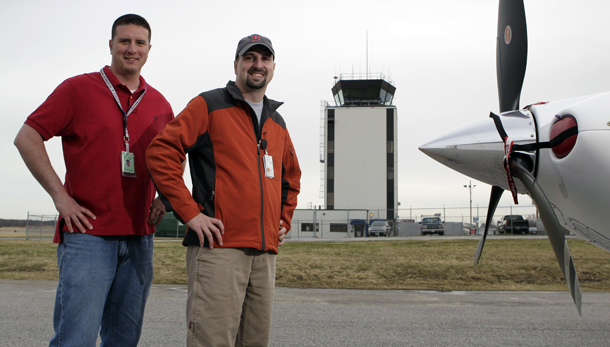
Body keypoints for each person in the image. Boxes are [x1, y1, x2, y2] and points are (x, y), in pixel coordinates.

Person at [13, 14, 174, 347]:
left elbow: (173, 157)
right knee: (76, 339)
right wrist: (60, 197)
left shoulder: (160, 104)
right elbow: (27, 137)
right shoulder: (78, 89)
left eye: (139, 42)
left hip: (138, 238)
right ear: (111, 45)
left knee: (124, 340)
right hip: (88, 236)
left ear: (149, 49)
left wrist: (165, 198)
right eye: (125, 41)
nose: (132, 49)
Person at [146, 34, 301, 346]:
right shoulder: (209, 105)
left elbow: (291, 178)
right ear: (236, 65)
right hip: (219, 249)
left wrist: (281, 223)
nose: (257, 65)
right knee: (212, 340)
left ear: (273, 67)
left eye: (264, 59)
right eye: (249, 58)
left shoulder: (278, 122)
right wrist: (190, 214)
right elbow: (161, 152)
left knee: (255, 341)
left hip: (264, 254)